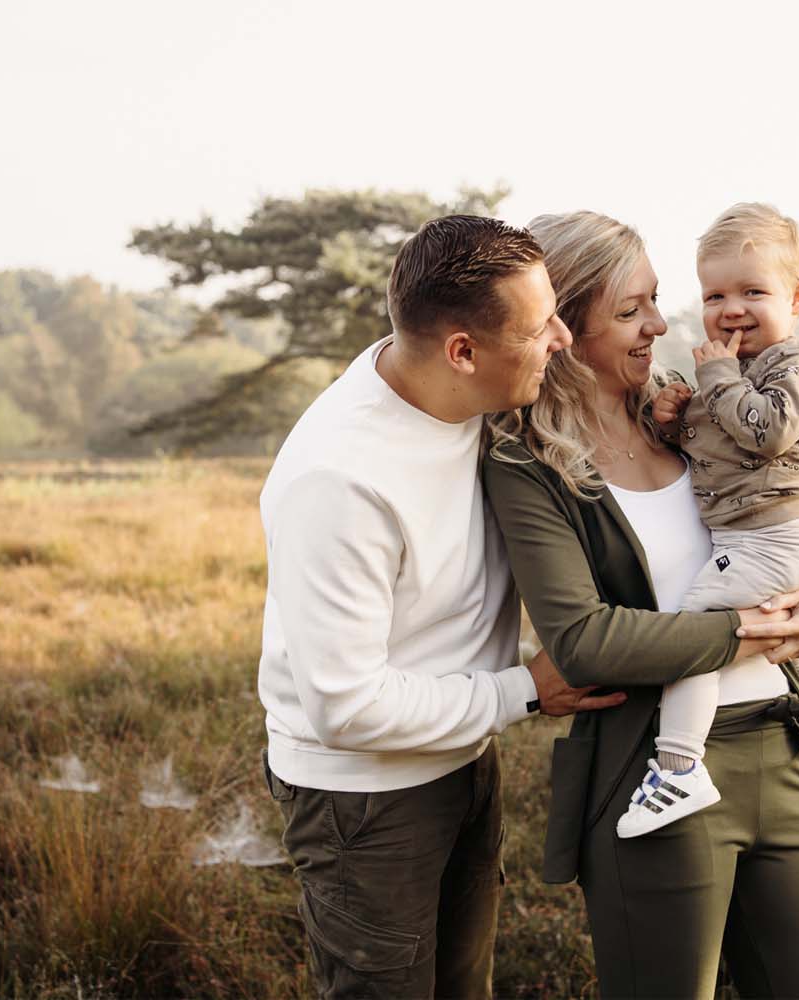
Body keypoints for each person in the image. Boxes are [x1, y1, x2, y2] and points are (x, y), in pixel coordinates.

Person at [257, 215, 627, 1000]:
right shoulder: (340, 479)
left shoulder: (469, 394)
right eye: (540, 326)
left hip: (462, 755)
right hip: (363, 798)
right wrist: (526, 690)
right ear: (462, 350)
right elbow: (345, 707)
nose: (561, 337)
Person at [483, 210, 799, 998]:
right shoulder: (530, 465)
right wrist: (749, 630)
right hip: (656, 775)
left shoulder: (688, 417)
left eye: (654, 300)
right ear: (564, 327)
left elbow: (770, 530)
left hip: (780, 752)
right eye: (628, 311)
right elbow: (584, 641)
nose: (658, 324)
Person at [615, 203, 799, 840]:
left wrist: (714, 375)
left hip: (771, 536)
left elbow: (764, 433)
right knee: (789, 636)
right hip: (765, 538)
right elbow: (712, 447)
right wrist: (673, 415)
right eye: (715, 294)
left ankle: (679, 765)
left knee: (696, 637)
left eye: (752, 292)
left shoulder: (797, 366)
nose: (730, 309)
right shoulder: (738, 372)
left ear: (796, 298)